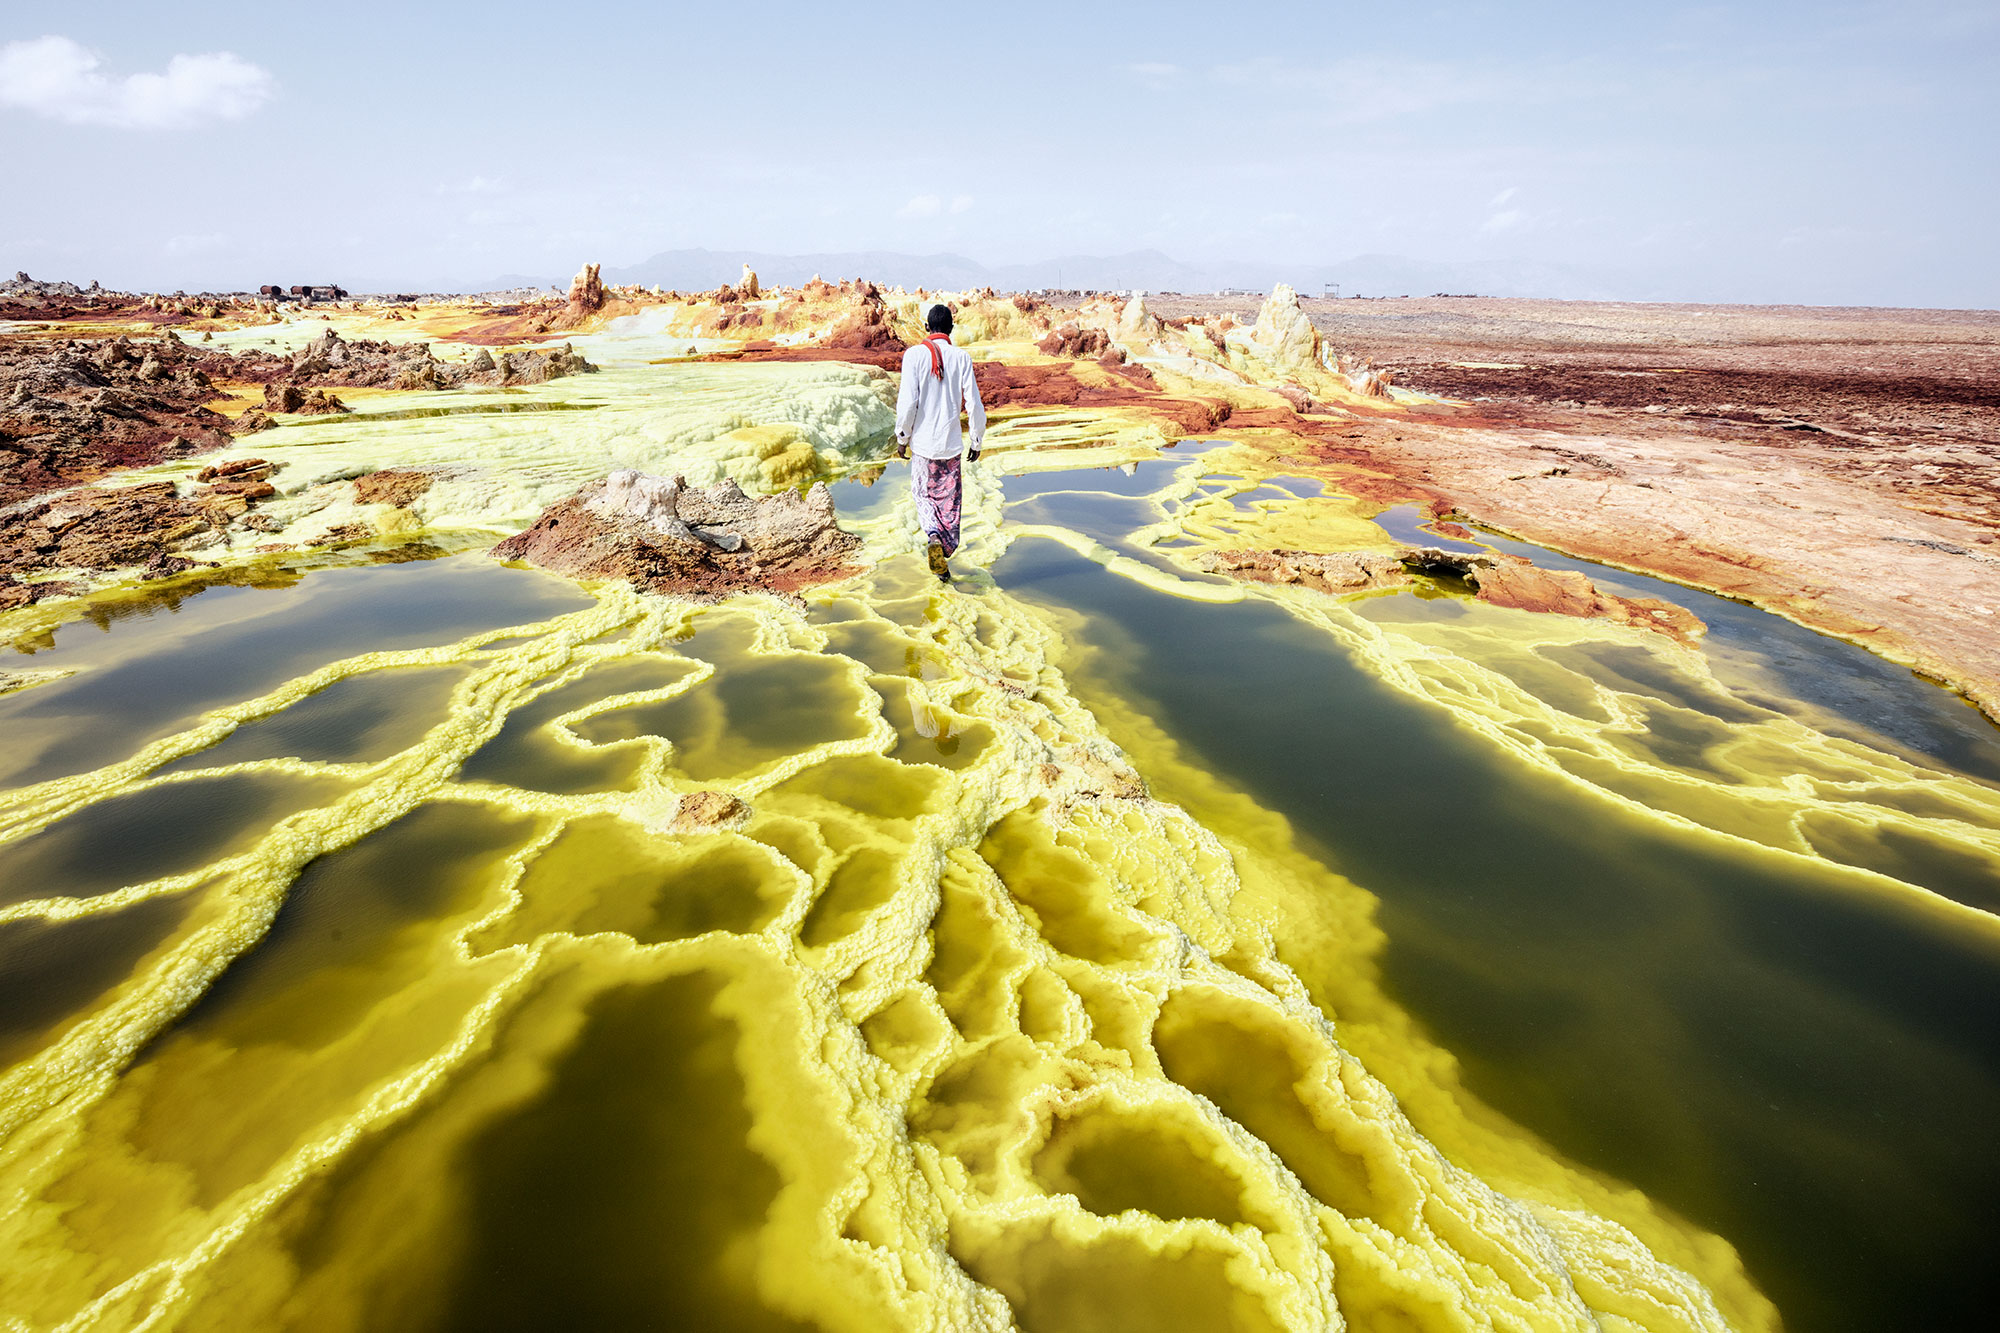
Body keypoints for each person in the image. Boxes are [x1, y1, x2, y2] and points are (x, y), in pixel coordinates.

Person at [893, 303, 985, 581]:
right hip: (951, 444)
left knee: (923, 495)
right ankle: (943, 550)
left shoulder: (914, 355)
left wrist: (902, 436)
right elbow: (974, 403)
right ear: (951, 329)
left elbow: (908, 402)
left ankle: (932, 536)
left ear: (926, 327)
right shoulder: (962, 358)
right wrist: (977, 440)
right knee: (949, 501)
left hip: (922, 445)